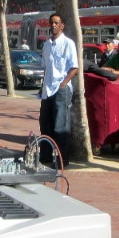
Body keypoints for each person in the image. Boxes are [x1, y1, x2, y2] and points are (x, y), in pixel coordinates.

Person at [39, 13, 78, 166]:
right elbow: (45, 67)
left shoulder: (68, 44)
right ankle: (45, 156)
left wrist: (64, 83)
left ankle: (62, 159)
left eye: (56, 23)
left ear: (62, 25)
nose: (53, 25)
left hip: (62, 90)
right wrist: (42, 87)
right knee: (45, 123)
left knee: (60, 126)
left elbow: (74, 67)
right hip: (47, 90)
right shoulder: (47, 45)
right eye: (51, 22)